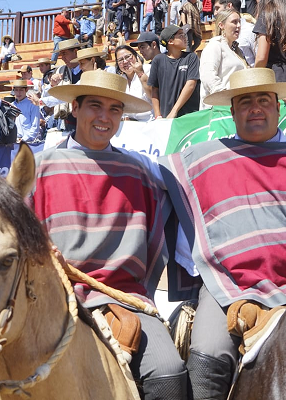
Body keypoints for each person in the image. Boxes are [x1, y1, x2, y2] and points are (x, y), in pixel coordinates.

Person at [157, 68, 286, 399]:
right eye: (245, 101)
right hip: (226, 287)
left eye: (263, 100)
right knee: (207, 354)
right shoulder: (203, 160)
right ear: (232, 111)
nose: (255, 108)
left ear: (278, 106)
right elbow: (153, 180)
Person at [33, 70, 187, 399]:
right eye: (95, 106)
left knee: (170, 372)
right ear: (74, 108)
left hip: (126, 299)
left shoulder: (140, 171)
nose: (105, 117)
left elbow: (188, 188)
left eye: (114, 109)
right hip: (54, 301)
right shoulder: (40, 167)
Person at [148, 24, 201, 118]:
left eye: (184, 34)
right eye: (181, 35)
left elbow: (191, 84)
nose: (185, 37)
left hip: (188, 116)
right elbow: (155, 90)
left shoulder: (191, 57)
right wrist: (158, 115)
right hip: (165, 118)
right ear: (170, 41)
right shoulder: (158, 60)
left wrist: (174, 111)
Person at [200, 9, 248, 107]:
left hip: (235, 107)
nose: (238, 25)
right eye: (234, 22)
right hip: (219, 110)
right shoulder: (215, 45)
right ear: (221, 25)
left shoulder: (237, 51)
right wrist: (224, 98)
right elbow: (208, 75)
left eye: (239, 22)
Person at [115, 45, 154, 121]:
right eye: (120, 60)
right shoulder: (120, 80)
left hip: (149, 121)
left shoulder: (148, 69)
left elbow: (153, 96)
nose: (125, 62)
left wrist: (140, 73)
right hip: (130, 125)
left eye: (127, 57)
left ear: (136, 56)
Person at [214, 0, 256, 67]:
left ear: (229, 6)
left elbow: (260, 59)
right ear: (221, 25)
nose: (215, 13)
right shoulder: (214, 44)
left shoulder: (250, 30)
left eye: (217, 8)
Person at [7, 80, 42, 144]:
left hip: (29, 142)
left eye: (21, 90)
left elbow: (35, 126)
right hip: (15, 141)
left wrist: (25, 139)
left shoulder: (32, 104)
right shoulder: (12, 105)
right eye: (16, 90)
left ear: (26, 90)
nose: (18, 93)